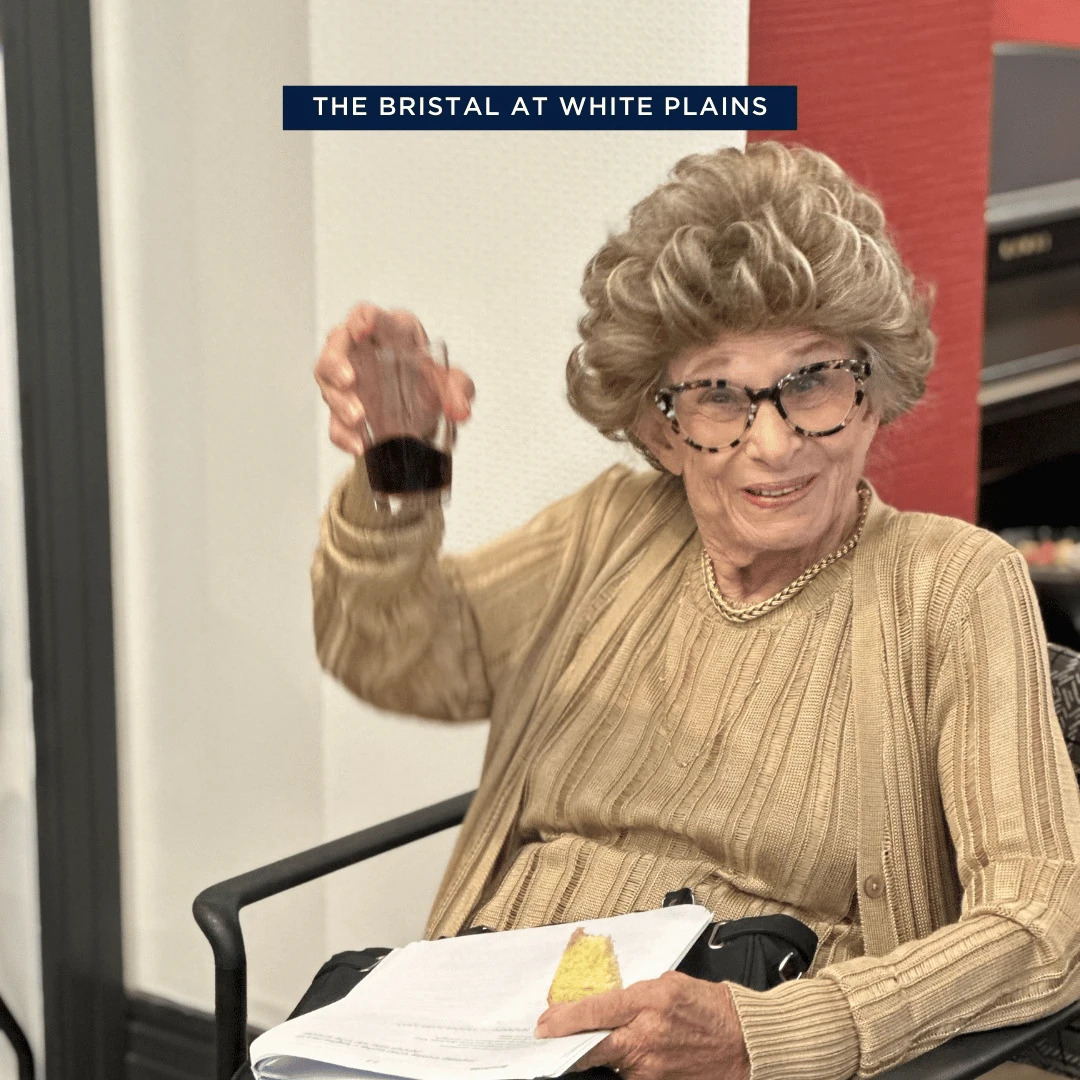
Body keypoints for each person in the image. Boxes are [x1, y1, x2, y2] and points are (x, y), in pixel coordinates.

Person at [311, 142, 1080, 1080]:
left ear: (872, 396)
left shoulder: (951, 585)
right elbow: (399, 655)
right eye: (720, 395)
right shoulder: (608, 532)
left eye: (813, 382)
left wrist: (769, 1036)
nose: (774, 442)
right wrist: (400, 465)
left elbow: (1041, 920)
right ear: (659, 426)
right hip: (484, 1037)